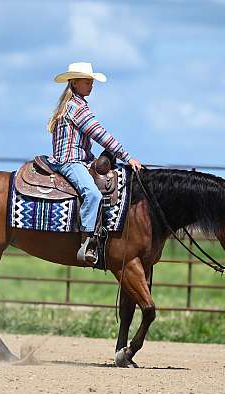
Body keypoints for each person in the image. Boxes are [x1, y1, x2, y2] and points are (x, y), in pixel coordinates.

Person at [47, 62, 142, 265]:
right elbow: (100, 134)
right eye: (87, 81)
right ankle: (87, 241)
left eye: (91, 81)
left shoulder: (70, 105)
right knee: (93, 194)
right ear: (74, 82)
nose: (91, 85)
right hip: (71, 161)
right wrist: (127, 157)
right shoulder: (77, 108)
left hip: (79, 159)